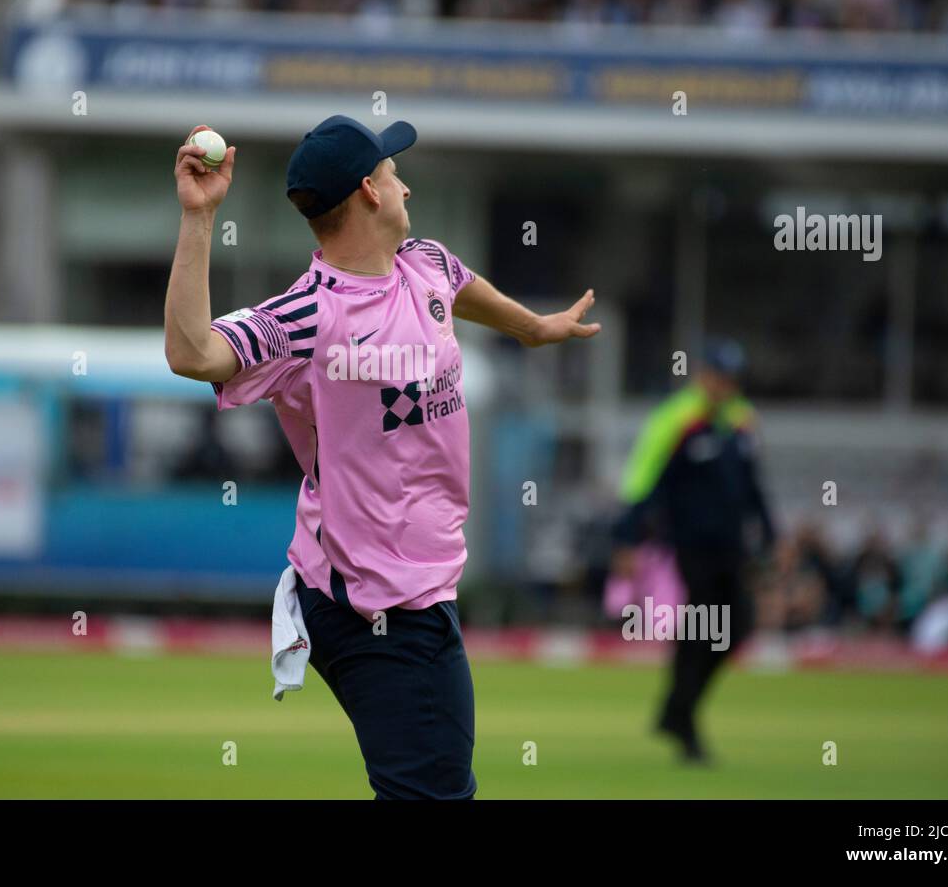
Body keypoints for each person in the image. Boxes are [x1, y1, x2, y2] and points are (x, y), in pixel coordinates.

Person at [164, 116, 600, 798]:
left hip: (415, 590)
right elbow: (192, 354)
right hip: (374, 603)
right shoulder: (308, 316)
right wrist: (199, 218)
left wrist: (534, 328)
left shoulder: (422, 261)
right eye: (395, 174)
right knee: (433, 792)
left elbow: (458, 285)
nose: (408, 186)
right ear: (369, 191)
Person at [611, 339, 776, 763]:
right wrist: (627, 539)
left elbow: (753, 485)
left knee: (734, 627)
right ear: (702, 375)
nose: (725, 385)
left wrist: (772, 535)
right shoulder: (674, 420)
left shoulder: (741, 421)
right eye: (719, 376)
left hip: (732, 546)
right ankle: (682, 719)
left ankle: (677, 710)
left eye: (731, 378)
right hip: (690, 546)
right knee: (705, 628)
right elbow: (642, 483)